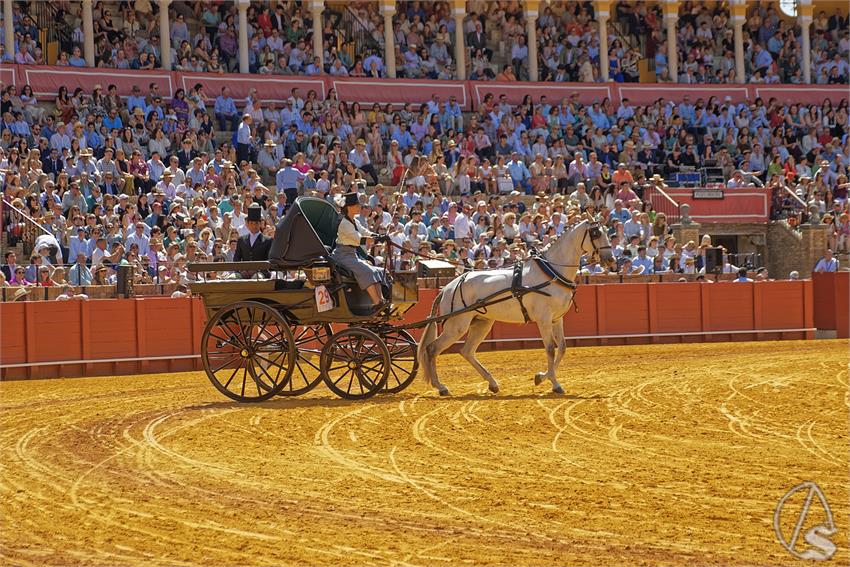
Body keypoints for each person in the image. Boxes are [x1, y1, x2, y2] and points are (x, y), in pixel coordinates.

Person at [331, 192, 387, 309]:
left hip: (352, 255)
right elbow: (359, 239)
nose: (359, 207)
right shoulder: (344, 223)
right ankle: (376, 302)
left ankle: (381, 301)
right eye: (356, 205)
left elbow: (364, 231)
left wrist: (377, 235)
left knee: (377, 270)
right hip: (343, 256)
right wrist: (375, 240)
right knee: (367, 271)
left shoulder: (354, 220)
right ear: (349, 207)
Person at [233, 203, 272, 277]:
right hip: (244, 272)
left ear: (260, 223)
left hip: (261, 272)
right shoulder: (241, 240)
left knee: (257, 278)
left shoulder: (268, 240)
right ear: (247, 224)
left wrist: (257, 270)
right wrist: (241, 270)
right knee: (231, 278)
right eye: (251, 223)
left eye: (256, 223)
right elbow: (237, 258)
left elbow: (269, 260)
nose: (254, 226)